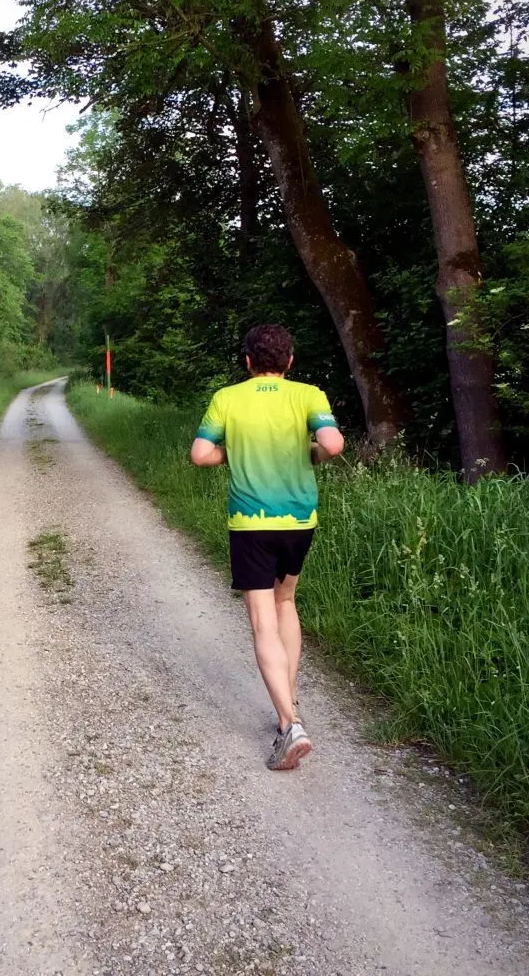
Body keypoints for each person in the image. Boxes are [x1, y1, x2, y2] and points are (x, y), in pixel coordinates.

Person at [190, 324, 344, 771]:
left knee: (261, 619)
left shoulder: (228, 398)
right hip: (300, 519)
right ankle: (288, 705)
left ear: (248, 362)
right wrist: (310, 452)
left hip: (251, 522)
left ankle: (289, 724)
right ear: (290, 361)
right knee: (286, 601)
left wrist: (232, 452)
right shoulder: (309, 395)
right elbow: (332, 444)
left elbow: (200, 455)